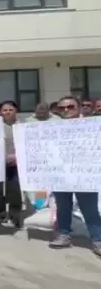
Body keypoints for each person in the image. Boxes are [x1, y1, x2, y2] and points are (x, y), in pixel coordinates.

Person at [48, 96, 101, 258]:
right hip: (61, 174)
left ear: (79, 108)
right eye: (62, 108)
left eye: (70, 107)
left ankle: (98, 240)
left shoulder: (93, 126)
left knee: (89, 209)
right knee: (63, 206)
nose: (66, 110)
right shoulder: (52, 128)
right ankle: (64, 235)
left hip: (85, 174)